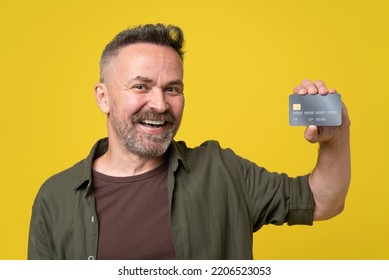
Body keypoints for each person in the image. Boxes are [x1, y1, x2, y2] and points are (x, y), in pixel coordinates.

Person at [28, 23, 351, 260]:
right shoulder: (55, 199)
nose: (159, 104)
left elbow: (324, 201)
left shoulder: (222, 171)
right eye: (141, 87)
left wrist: (336, 138)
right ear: (103, 97)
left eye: (172, 88)